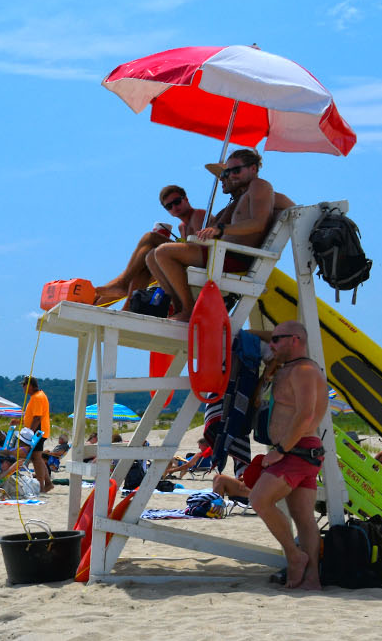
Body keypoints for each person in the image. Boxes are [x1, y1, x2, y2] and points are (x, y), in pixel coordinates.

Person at [211, 321, 328, 588]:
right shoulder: (288, 368)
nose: (271, 344)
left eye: (277, 340)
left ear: (296, 339)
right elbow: (250, 335)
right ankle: (312, 579)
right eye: (271, 339)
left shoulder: (305, 370)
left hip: (296, 451)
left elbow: (306, 414)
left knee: (258, 499)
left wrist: (281, 450)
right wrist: (275, 338)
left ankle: (294, 556)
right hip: (301, 453)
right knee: (303, 518)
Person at [147, 148, 295, 320]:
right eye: (227, 172)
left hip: (233, 257)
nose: (230, 175)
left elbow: (258, 223)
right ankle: (179, 307)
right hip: (221, 254)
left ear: (253, 169)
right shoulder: (243, 196)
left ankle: (188, 310)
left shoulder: (260, 186)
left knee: (163, 252)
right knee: (151, 257)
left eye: (236, 170)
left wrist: (222, 229)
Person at [96, 184, 208, 302]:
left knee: (150, 237)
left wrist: (170, 247)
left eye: (177, 202)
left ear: (186, 199)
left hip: (204, 260)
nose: (174, 207)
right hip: (189, 260)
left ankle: (122, 283)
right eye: (169, 206)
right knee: (144, 263)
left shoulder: (198, 215)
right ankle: (126, 305)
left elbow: (200, 247)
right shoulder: (182, 226)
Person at [17, 377, 54, 491]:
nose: (23, 388)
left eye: (24, 385)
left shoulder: (37, 397)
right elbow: (32, 416)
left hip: (38, 431)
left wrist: (30, 434)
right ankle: (47, 483)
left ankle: (42, 485)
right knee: (36, 457)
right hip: (38, 431)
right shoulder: (36, 396)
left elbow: (37, 418)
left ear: (30, 386)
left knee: (36, 458)